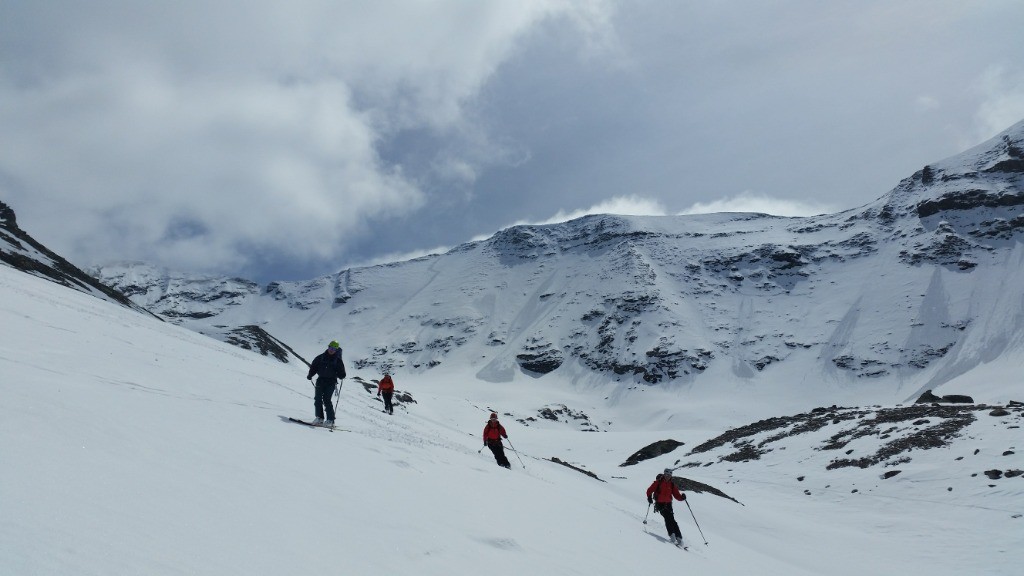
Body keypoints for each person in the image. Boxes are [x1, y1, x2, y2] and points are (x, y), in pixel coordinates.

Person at [305, 340, 346, 427]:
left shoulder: (338, 361)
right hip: (320, 380)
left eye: (334, 349)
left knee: (327, 400)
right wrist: (310, 375)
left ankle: (330, 420)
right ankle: (319, 418)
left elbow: (341, 372)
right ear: (328, 347)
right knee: (318, 399)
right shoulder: (320, 357)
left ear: (336, 350)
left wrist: (342, 375)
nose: (331, 350)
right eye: (330, 347)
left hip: (331, 382)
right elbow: (314, 367)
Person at [646, 468, 686, 546]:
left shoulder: (671, 484)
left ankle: (679, 537)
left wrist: (682, 498)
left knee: (672, 520)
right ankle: (672, 535)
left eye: (669, 475)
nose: (668, 476)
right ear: (664, 474)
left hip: (668, 504)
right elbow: (649, 490)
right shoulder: (658, 482)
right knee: (668, 518)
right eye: (667, 474)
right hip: (660, 504)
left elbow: (676, 495)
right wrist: (649, 497)